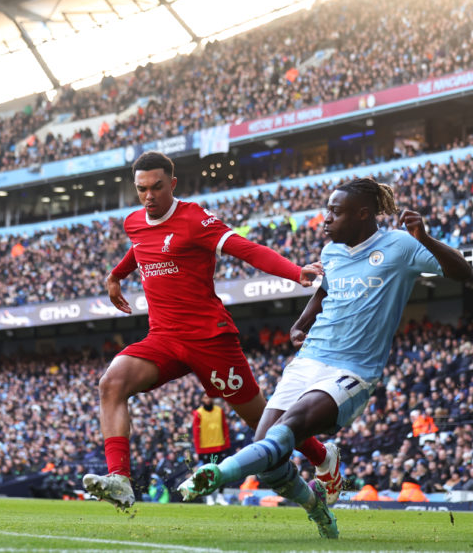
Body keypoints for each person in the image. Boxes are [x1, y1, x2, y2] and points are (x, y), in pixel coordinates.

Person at [178, 177, 472, 539]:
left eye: (335, 211)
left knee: (291, 427)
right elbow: (324, 292)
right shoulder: (331, 253)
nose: (326, 218)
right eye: (327, 210)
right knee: (269, 459)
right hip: (310, 358)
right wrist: (301, 323)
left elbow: (464, 272)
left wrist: (424, 239)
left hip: (354, 368)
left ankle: (220, 473)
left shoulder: (398, 246)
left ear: (363, 214)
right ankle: (317, 503)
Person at [82, 151, 325, 510]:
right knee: (111, 383)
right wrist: (116, 275)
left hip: (209, 338)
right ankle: (119, 479)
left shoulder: (195, 219)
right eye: (142, 189)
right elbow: (141, 249)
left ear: (173, 184)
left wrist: (294, 271)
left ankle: (322, 456)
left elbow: (246, 249)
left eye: (157, 187)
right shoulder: (134, 222)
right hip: (163, 337)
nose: (149, 196)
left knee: (263, 419)